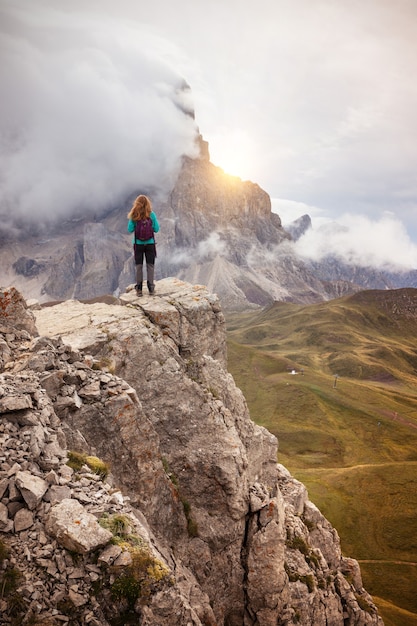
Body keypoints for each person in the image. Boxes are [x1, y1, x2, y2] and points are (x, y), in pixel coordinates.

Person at [127, 194, 160, 296]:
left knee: (139, 266)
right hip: (150, 244)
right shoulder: (152, 215)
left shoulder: (134, 215)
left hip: (138, 244)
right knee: (150, 265)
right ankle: (151, 288)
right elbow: (157, 229)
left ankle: (139, 289)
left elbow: (129, 229)